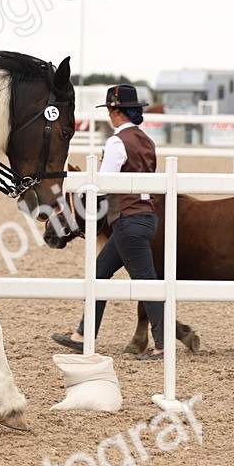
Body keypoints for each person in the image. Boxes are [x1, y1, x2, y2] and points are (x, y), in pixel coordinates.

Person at [52, 84, 166, 359]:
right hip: (144, 219)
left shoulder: (117, 142)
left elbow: (102, 185)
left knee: (147, 284)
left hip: (128, 221)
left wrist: (81, 186)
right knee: (99, 272)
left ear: (115, 111)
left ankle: (163, 345)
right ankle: (82, 335)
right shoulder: (147, 141)